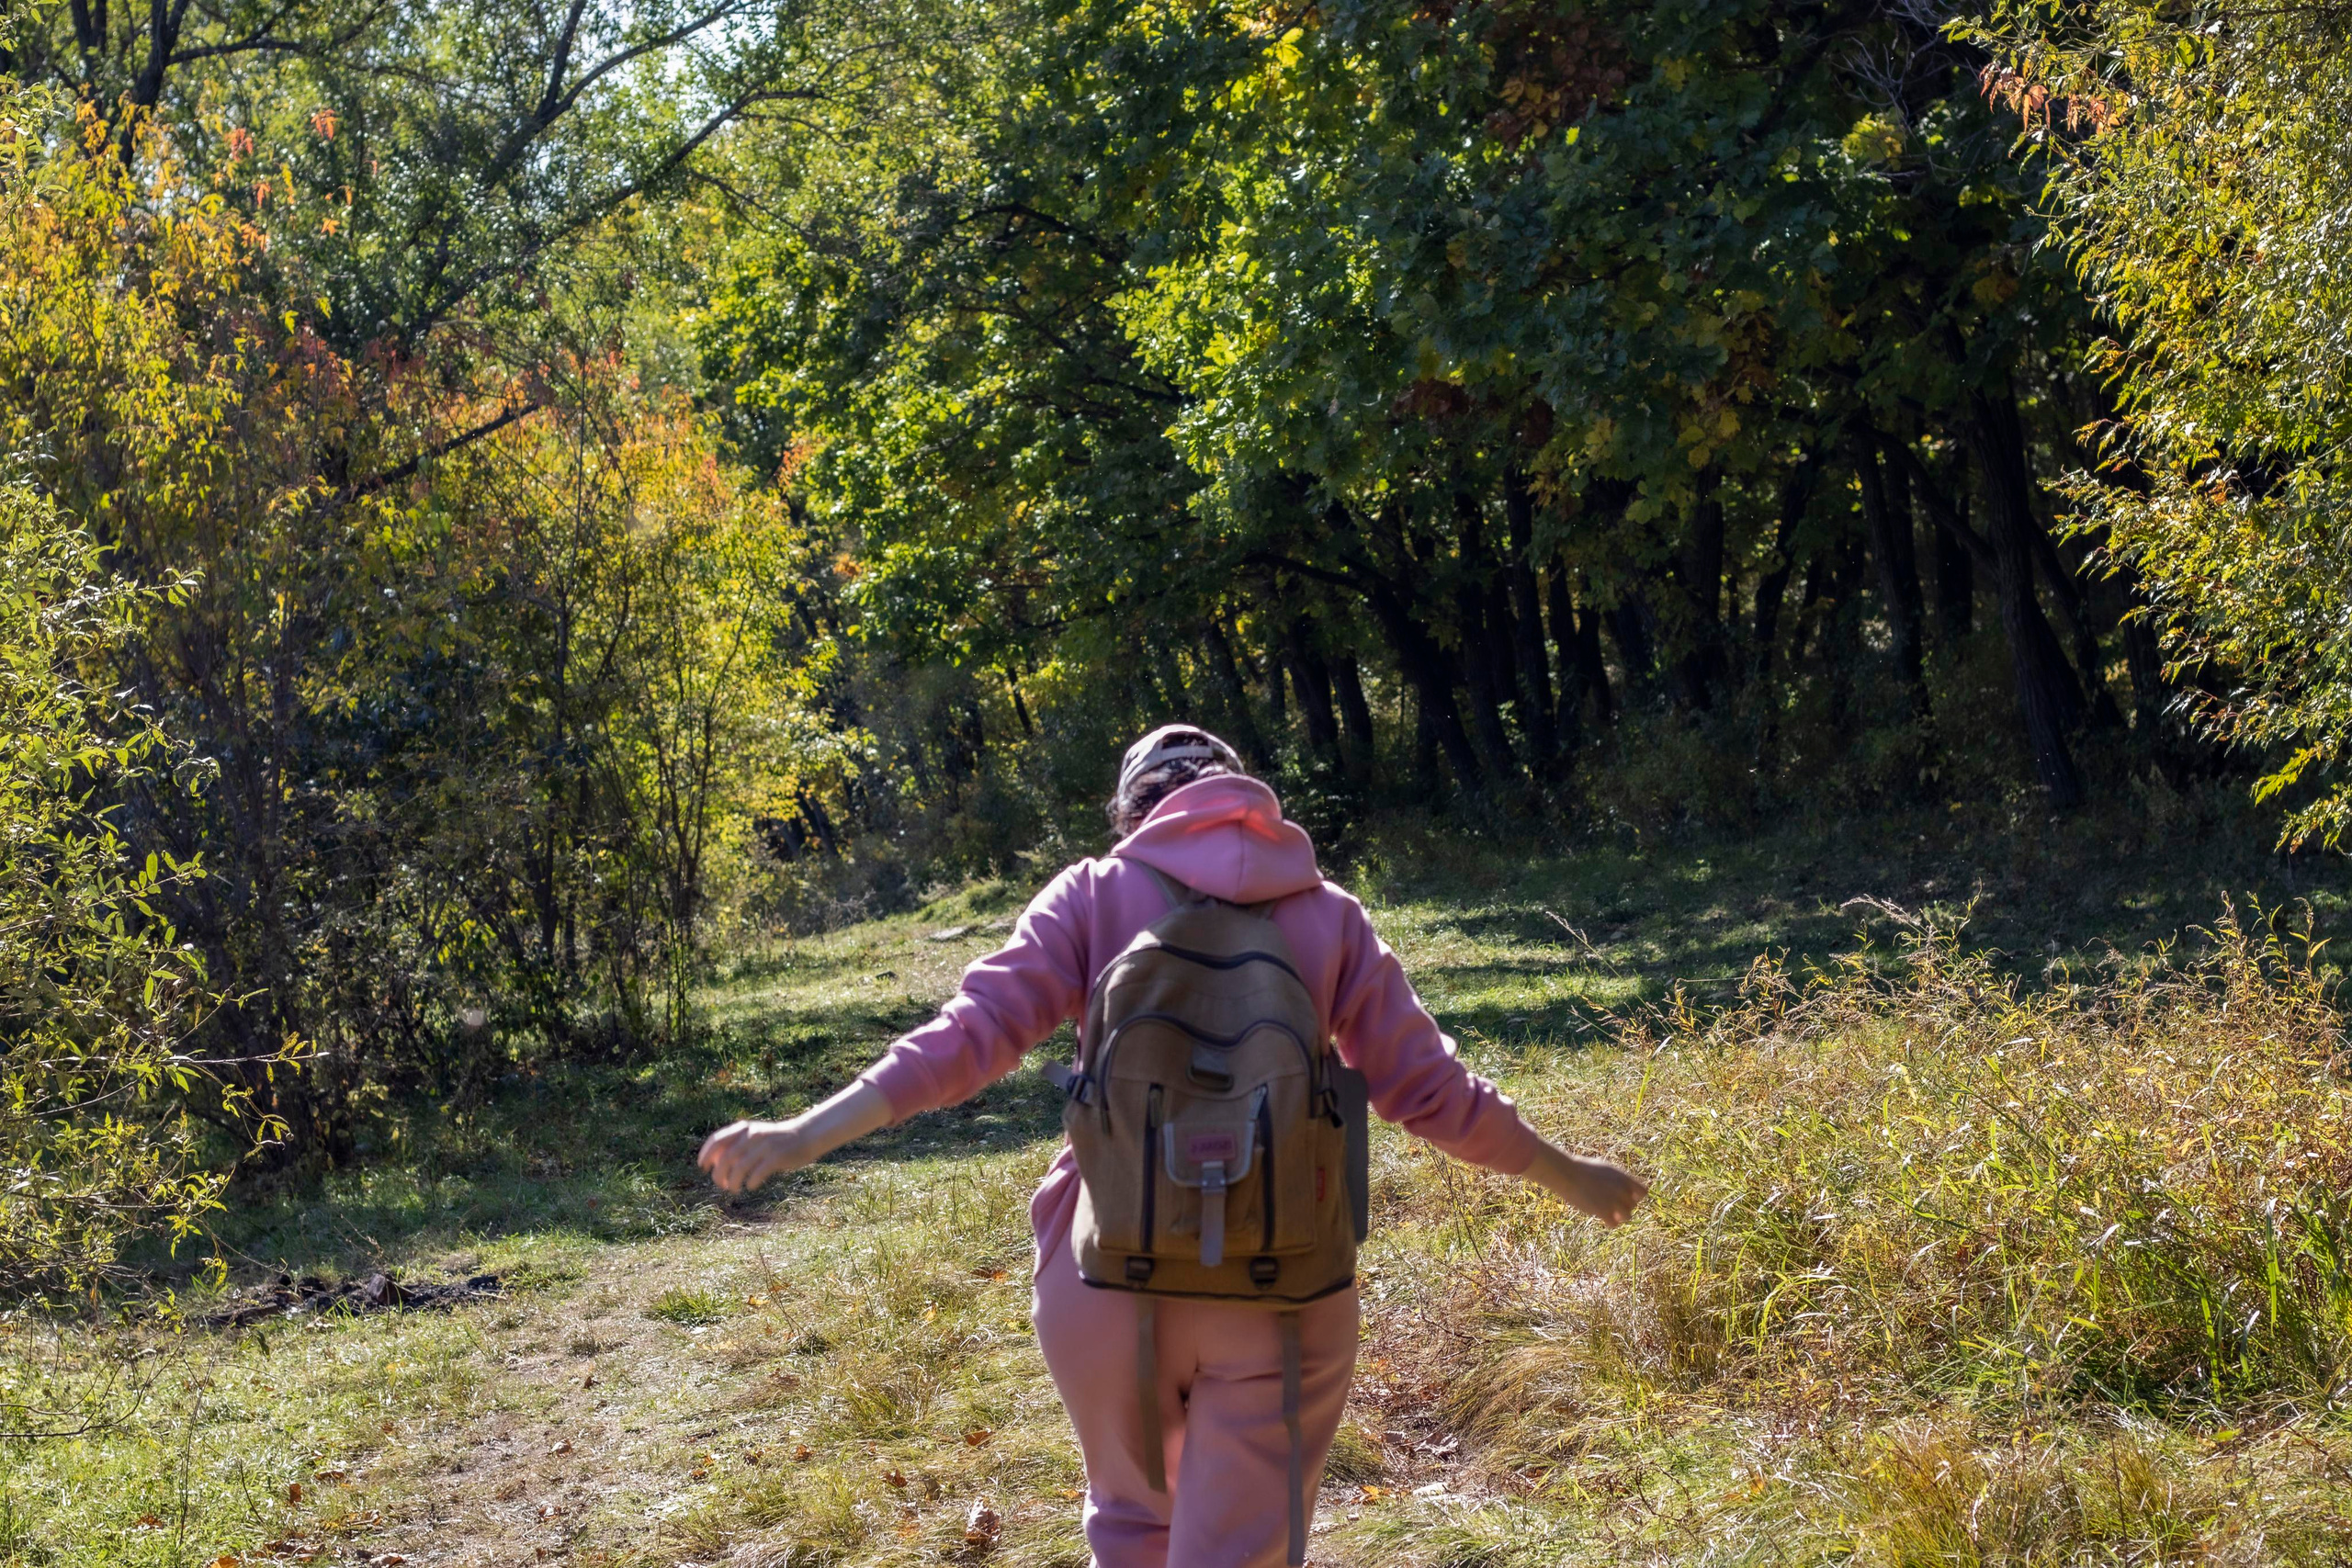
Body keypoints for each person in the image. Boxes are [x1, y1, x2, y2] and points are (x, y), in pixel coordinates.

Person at [700, 725, 1648, 1567]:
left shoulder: (1090, 894)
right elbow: (1429, 1090)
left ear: (1134, 816)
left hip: (1106, 1277)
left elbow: (969, 1037)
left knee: (1132, 1527)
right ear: (1244, 799)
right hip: (1283, 1285)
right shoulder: (1329, 916)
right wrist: (1570, 1175)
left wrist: (804, 1132)